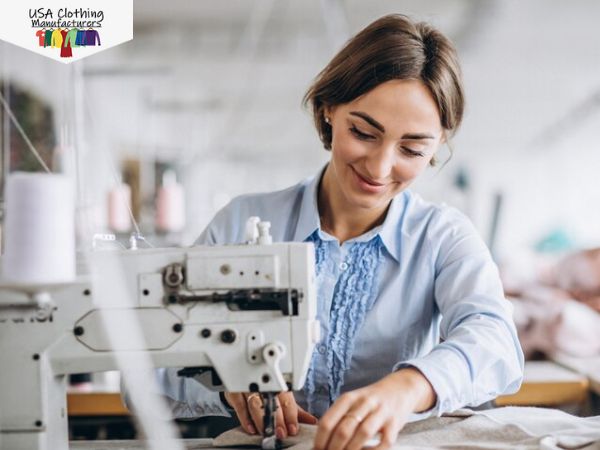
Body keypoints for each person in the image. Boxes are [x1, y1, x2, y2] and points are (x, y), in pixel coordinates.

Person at [156, 14, 524, 450]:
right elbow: (152, 362)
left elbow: (496, 342)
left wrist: (409, 387)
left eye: (411, 149)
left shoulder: (443, 237)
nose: (380, 168)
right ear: (329, 109)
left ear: (437, 146)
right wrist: (226, 382)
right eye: (363, 133)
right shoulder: (241, 222)